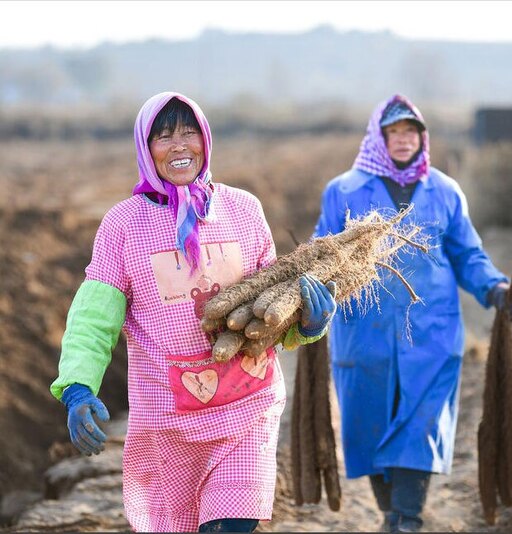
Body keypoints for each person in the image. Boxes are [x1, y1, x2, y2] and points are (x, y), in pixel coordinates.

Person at [50, 92, 337, 533]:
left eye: (189, 132)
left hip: (248, 406)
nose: (179, 145)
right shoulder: (124, 225)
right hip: (169, 421)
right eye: (164, 136)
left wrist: (308, 324)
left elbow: (270, 311)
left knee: (229, 525)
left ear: (206, 139)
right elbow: (93, 319)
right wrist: (77, 387)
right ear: (146, 150)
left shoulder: (243, 211)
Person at [312, 94, 512, 532]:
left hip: (432, 333)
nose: (403, 141)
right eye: (394, 133)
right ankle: (393, 515)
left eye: (411, 133)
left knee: (420, 427)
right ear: (378, 139)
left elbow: (467, 253)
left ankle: (408, 518)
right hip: (364, 333)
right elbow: (319, 257)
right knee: (369, 427)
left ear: (423, 139)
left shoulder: (443, 191)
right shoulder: (344, 191)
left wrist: (493, 286)